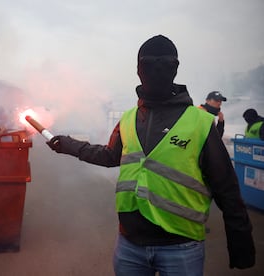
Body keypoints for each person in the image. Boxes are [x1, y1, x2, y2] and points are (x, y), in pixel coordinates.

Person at [46, 35, 255, 275]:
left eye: (163, 64)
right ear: (138, 70)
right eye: (148, 64)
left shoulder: (201, 123)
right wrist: (68, 144)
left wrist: (241, 243)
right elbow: (108, 156)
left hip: (181, 247)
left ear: (175, 68)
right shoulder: (128, 119)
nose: (156, 70)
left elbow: (226, 187)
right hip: (129, 246)